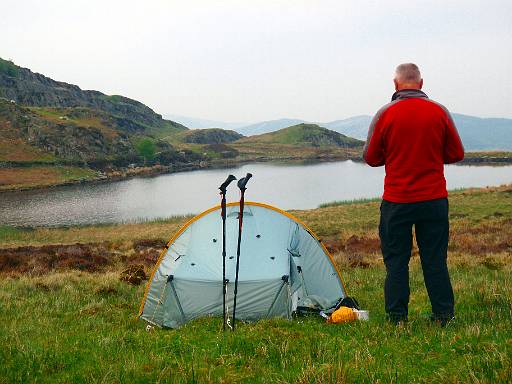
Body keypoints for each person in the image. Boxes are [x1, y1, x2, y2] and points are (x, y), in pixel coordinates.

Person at [363, 63, 464, 325]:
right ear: (420, 83)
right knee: (435, 260)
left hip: (397, 201)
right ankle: (444, 316)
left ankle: (397, 319)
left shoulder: (385, 114)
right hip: (433, 200)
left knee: (396, 261)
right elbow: (456, 154)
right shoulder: (439, 111)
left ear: (395, 84)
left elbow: (371, 158)